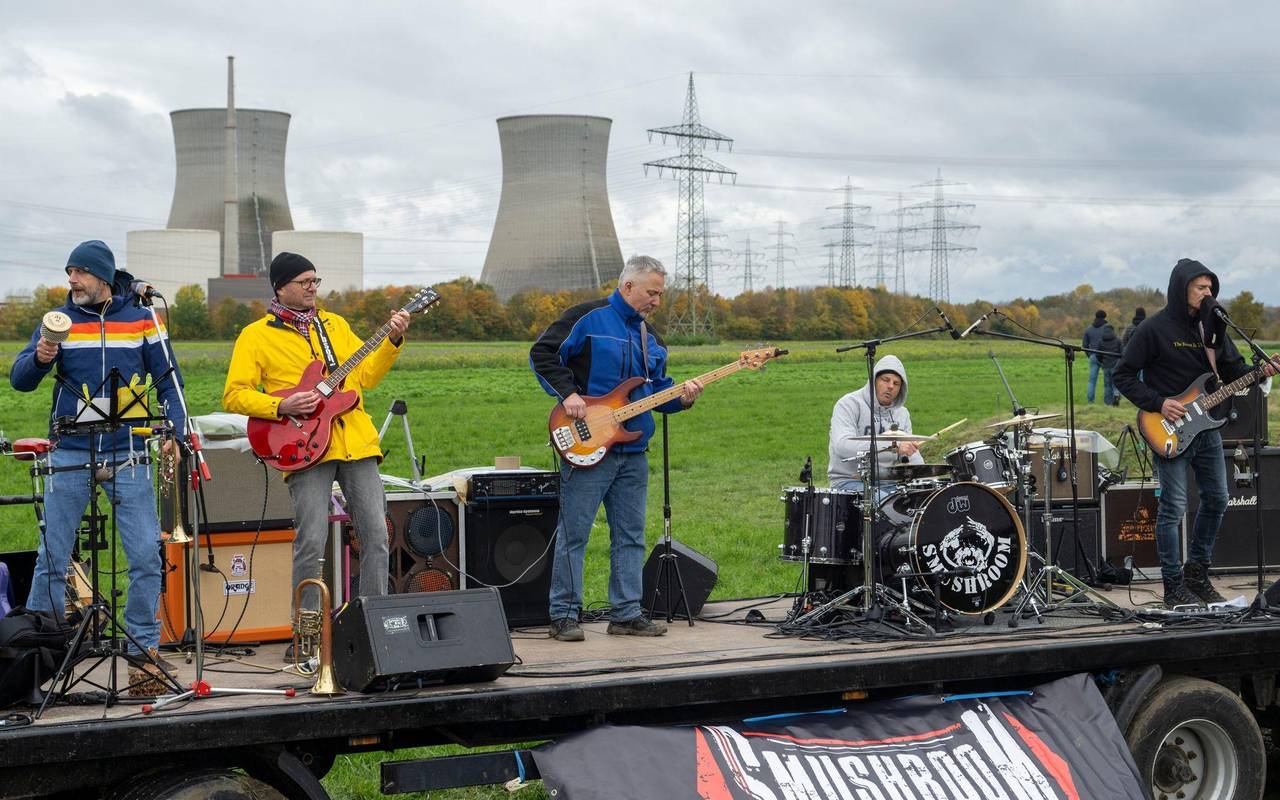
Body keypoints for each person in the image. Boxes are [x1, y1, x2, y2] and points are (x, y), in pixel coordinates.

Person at [9, 240, 187, 692]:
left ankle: (143, 660)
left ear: (103, 277)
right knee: (52, 558)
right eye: (69, 272)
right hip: (69, 450)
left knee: (147, 554)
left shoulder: (143, 317)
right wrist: (39, 358)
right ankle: (31, 664)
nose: (72, 281)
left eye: (79, 273)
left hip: (127, 451)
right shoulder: (60, 321)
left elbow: (170, 383)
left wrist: (178, 433)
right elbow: (20, 379)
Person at [223, 252, 409, 644]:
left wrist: (392, 340)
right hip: (303, 447)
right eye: (304, 281)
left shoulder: (334, 325)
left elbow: (367, 376)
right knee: (310, 540)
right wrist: (280, 405)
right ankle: (305, 636)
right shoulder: (255, 335)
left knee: (376, 535)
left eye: (315, 281)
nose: (312, 288)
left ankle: (371, 630)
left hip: (355, 443)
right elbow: (234, 396)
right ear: (281, 287)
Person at [530, 255, 703, 642]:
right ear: (628, 286)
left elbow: (658, 393)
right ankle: (564, 615)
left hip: (633, 450)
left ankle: (625, 614)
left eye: (661, 294)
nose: (657, 301)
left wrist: (685, 398)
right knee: (575, 533)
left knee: (630, 535)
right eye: (651, 293)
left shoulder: (653, 338)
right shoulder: (586, 318)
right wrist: (569, 393)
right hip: (588, 445)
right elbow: (541, 355)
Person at [1115, 259, 1278, 608]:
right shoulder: (1154, 329)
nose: (1208, 294)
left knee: (1218, 499)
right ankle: (1173, 585)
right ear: (1181, 288)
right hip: (1167, 428)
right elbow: (1123, 374)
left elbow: (1234, 370)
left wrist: (1261, 371)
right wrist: (1159, 403)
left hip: (1206, 428)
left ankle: (1197, 574)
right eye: (1201, 288)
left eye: (1211, 288)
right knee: (1173, 508)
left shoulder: (1213, 329)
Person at [827, 355, 924, 497]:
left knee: (923, 502)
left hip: (890, 483)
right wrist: (894, 446)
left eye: (896, 383)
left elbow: (911, 455)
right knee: (889, 507)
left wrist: (928, 480)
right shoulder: (849, 404)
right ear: (874, 381)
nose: (890, 386)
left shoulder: (902, 414)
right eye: (885, 380)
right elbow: (842, 446)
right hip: (849, 481)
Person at [1082, 309, 1120, 405]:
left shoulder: (1088, 329)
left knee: (1092, 380)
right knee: (1109, 381)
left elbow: (1085, 345)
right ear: (1105, 316)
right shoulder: (1107, 328)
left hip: (1093, 356)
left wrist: (1090, 355)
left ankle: (1090, 401)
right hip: (1107, 357)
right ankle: (1111, 400)